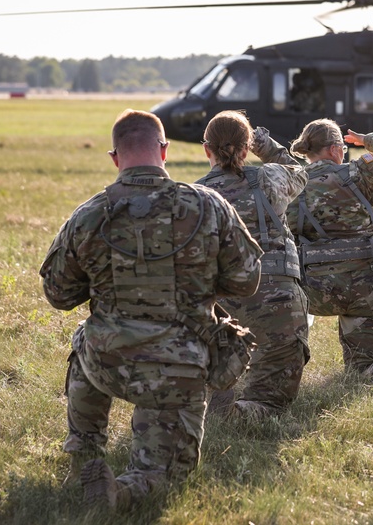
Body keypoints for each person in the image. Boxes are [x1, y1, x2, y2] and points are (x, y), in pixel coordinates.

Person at [39, 109, 263, 511]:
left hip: (107, 365)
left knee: (84, 336)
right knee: (163, 477)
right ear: (164, 151)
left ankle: (84, 451)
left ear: (114, 157)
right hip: (178, 370)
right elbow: (246, 281)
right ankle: (120, 492)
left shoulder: (88, 214)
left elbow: (58, 294)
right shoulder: (209, 206)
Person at [286, 118, 373, 383]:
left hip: (312, 292)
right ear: (337, 149)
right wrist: (368, 139)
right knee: (365, 364)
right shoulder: (358, 175)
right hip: (366, 288)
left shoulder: (290, 184)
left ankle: (282, 366)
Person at [196, 110, 309, 421]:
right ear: (247, 149)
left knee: (208, 377)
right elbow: (298, 170)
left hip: (220, 309)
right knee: (272, 402)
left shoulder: (195, 196)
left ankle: (215, 396)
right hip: (280, 301)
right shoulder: (271, 178)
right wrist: (265, 145)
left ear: (207, 149)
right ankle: (238, 413)